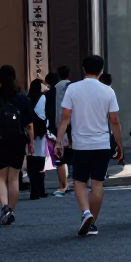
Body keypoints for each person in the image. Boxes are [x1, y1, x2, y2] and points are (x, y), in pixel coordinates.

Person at [57, 54, 123, 236]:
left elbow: (65, 118)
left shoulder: (73, 89)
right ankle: (92, 220)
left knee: (79, 181)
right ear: (101, 71)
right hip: (102, 143)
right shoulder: (108, 91)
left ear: (84, 69)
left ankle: (85, 212)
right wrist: (118, 144)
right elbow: (114, 121)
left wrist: (58, 141)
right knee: (97, 183)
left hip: (80, 144)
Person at [0, 64, 35, 226]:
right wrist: (31, 142)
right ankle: (12, 211)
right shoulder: (23, 98)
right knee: (14, 178)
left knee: (0, 178)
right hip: (18, 141)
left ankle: (4, 207)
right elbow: (30, 125)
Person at [27, 79, 51, 200]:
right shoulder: (42, 98)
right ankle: (40, 190)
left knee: (31, 163)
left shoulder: (28, 98)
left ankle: (34, 190)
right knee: (40, 163)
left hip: (29, 135)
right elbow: (43, 116)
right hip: (40, 134)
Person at [52, 65, 72, 196]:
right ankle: (77, 183)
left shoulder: (54, 88)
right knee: (75, 155)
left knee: (60, 158)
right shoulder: (74, 86)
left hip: (58, 125)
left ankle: (62, 185)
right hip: (73, 125)